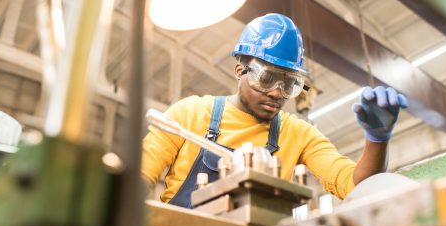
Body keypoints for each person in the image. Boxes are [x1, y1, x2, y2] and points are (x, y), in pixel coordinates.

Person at [142, 13, 408, 208]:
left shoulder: (298, 133)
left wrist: (377, 140)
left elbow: (354, 185)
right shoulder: (188, 114)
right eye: (266, 78)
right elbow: (139, 177)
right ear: (239, 70)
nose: (277, 93)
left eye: (290, 83)